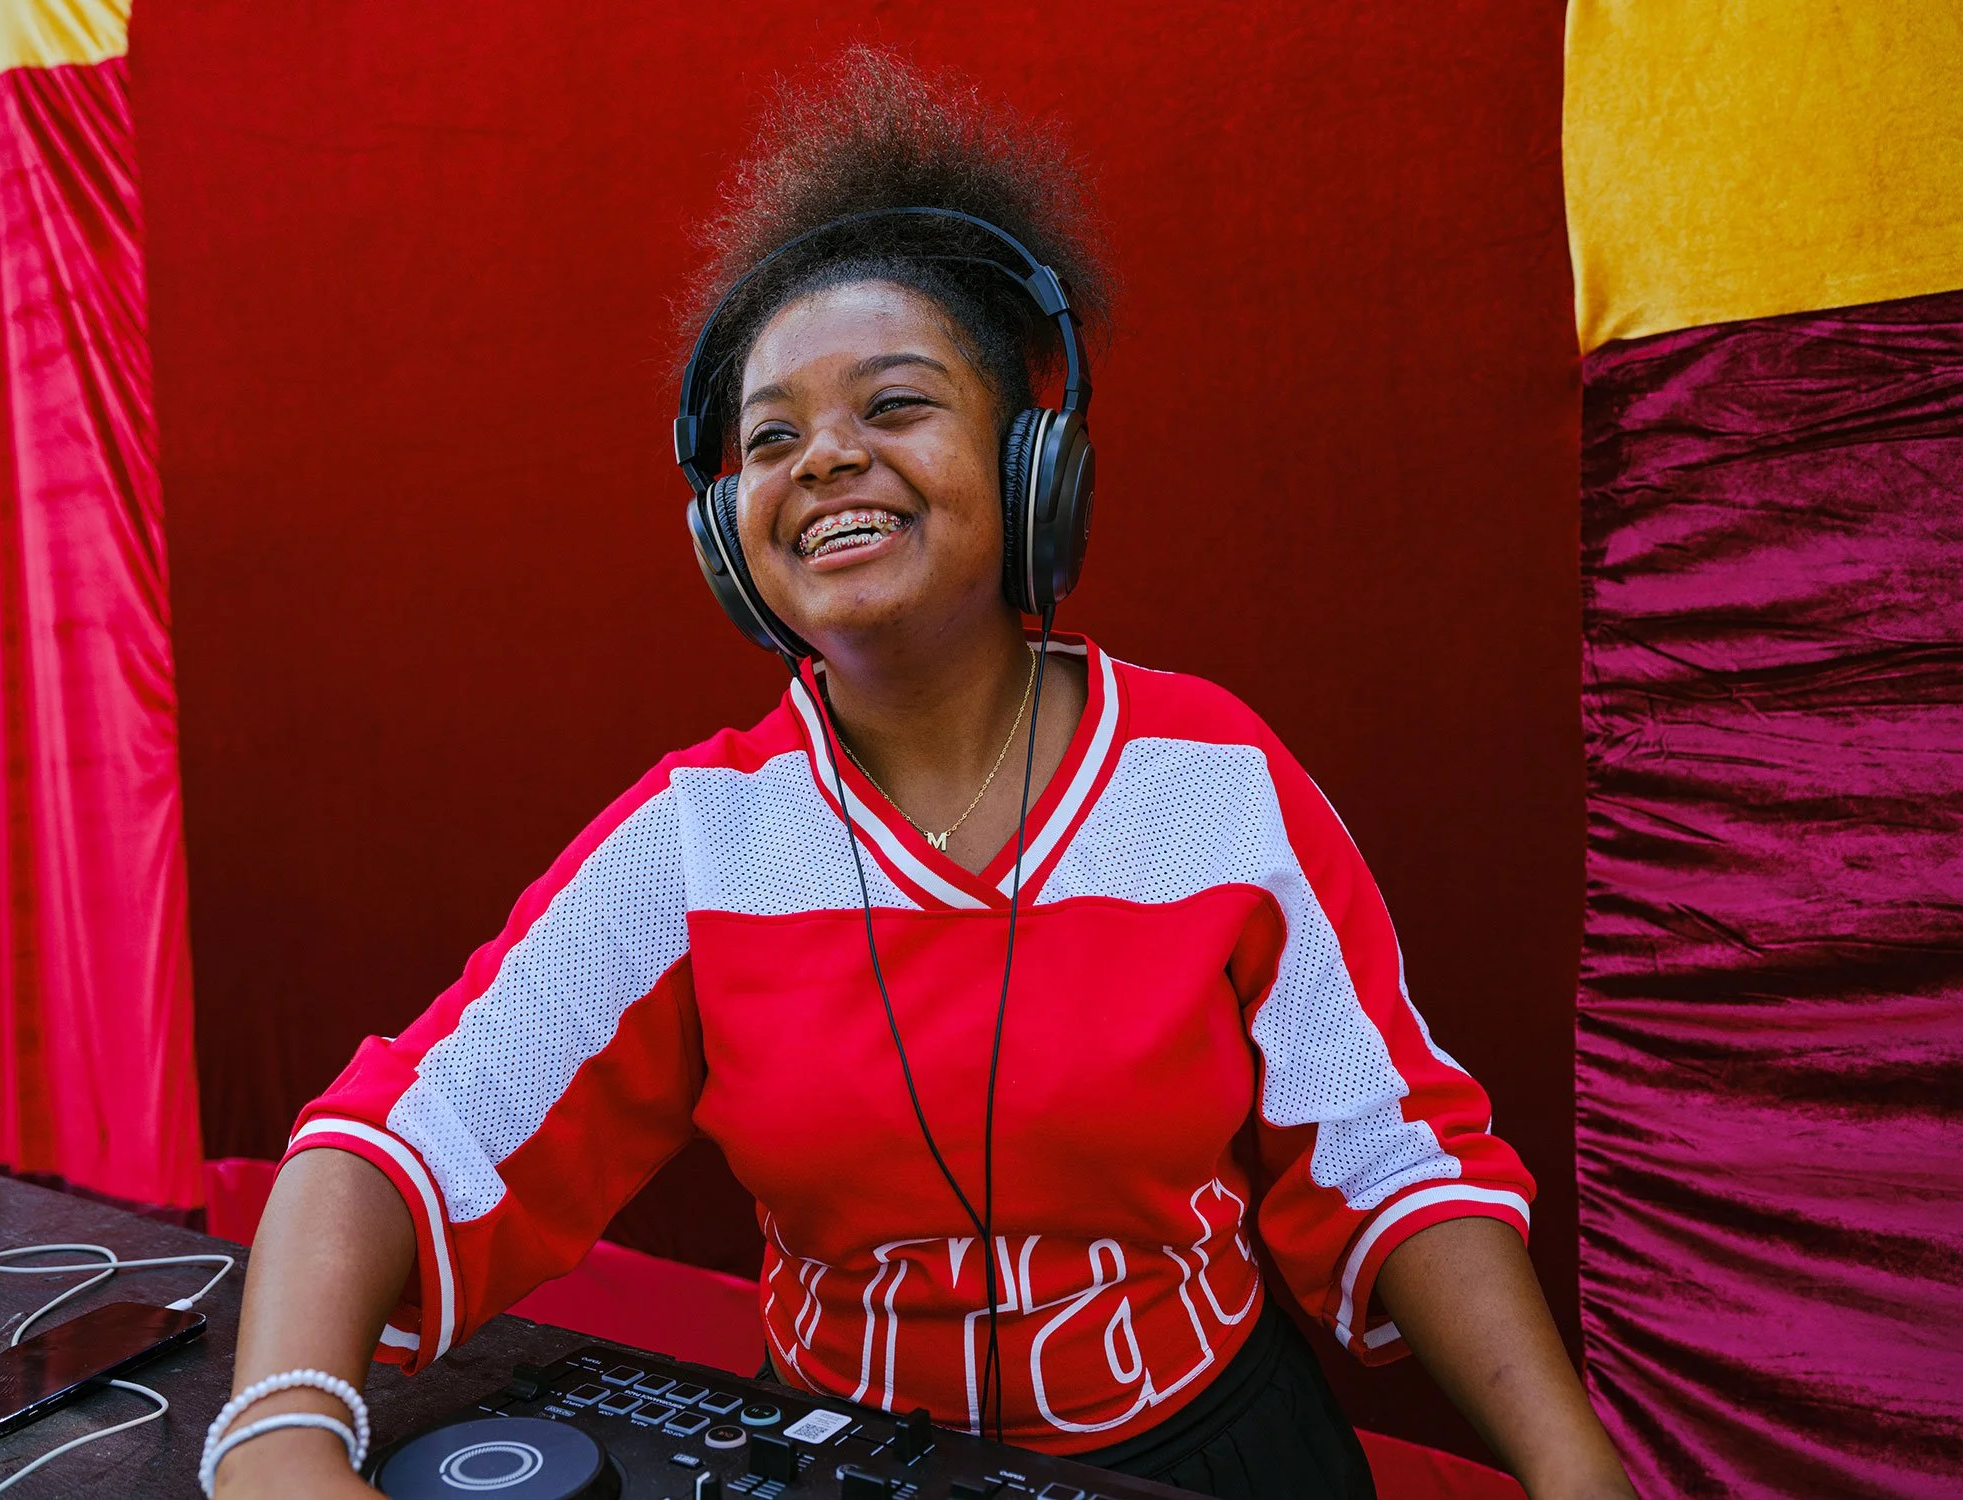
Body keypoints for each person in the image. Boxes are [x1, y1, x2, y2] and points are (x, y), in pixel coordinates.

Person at [213, 48, 1633, 1500]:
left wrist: (1569, 1466)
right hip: (843, 1465)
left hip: (1218, 1458)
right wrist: (279, 1436)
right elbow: (396, 1140)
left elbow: (1397, 1165)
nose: (825, 457)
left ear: (1032, 465)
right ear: (728, 534)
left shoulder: (1217, 779)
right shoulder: (701, 840)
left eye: (894, 406)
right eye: (770, 439)